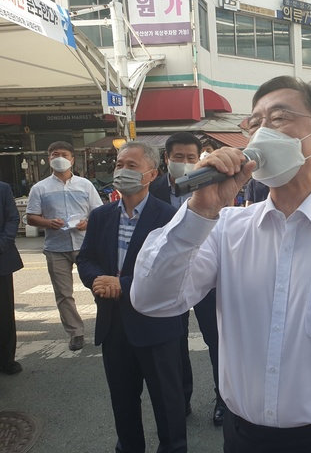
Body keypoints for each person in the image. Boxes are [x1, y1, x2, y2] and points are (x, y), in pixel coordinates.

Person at [131, 76, 311, 453]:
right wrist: (200, 211)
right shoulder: (224, 230)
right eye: (255, 123)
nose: (262, 132)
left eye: (279, 118)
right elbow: (151, 300)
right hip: (245, 438)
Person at [77, 142, 188, 453]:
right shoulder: (101, 216)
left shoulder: (169, 217)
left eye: (131, 166)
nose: (121, 170)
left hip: (157, 329)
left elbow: (173, 273)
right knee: (123, 403)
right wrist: (97, 280)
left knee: (167, 403)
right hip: (114, 327)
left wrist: (123, 283)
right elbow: (85, 259)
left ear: (150, 174)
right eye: (118, 164)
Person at [149, 131, 225, 425]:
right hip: (168, 276)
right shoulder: (151, 188)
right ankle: (181, 398)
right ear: (166, 158)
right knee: (174, 342)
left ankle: (223, 400)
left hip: (205, 273)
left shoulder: (209, 182)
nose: (184, 162)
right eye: (178, 157)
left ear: (199, 159)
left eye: (190, 158)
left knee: (216, 339)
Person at [26, 141, 102, 351]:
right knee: (63, 293)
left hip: (85, 245)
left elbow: (98, 212)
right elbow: (31, 217)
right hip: (55, 247)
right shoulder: (39, 188)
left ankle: (105, 327)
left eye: (63, 154)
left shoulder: (85, 185)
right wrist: (47, 223)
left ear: (72, 159)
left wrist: (88, 223)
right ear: (49, 159)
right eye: (54, 154)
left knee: (98, 287)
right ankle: (75, 332)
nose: (58, 157)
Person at [0, 181, 24, 375]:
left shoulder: (3, 188)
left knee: (4, 313)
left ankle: (7, 360)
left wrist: (3, 243)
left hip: (1, 259)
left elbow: (12, 219)